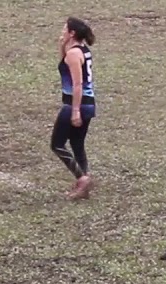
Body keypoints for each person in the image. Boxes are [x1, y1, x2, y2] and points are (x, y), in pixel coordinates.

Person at [52, 17, 96, 200]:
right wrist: (63, 45)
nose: (62, 32)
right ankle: (83, 185)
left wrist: (75, 111)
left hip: (75, 104)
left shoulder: (73, 54)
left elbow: (77, 84)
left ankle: (82, 178)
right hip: (88, 104)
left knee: (57, 144)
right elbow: (64, 63)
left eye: (65, 30)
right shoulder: (82, 51)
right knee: (77, 144)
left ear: (72, 33)